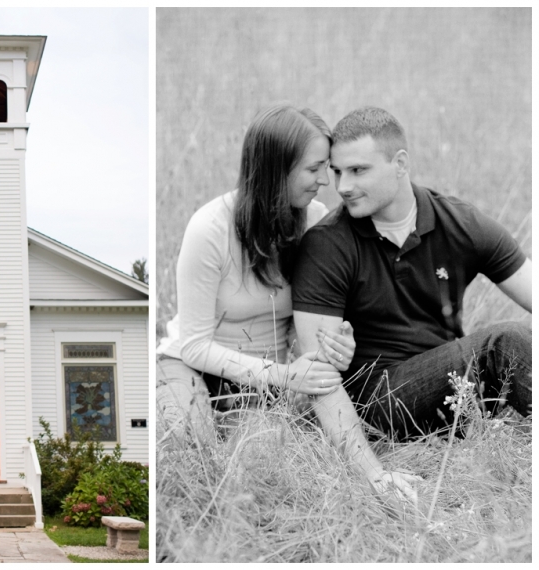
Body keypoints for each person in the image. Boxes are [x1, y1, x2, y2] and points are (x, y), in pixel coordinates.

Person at [156, 103, 416, 498]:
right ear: (276, 170)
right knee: (188, 451)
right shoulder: (209, 228)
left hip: (260, 386)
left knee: (261, 465)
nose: (325, 182)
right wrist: (283, 375)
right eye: (314, 170)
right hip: (190, 365)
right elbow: (193, 344)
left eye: (325, 168)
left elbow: (319, 322)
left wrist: (342, 343)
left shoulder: (316, 220)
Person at [292, 106, 532, 442]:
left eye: (359, 170)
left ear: (400, 164)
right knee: (504, 343)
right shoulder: (326, 244)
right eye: (337, 172)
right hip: (378, 402)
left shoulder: (459, 223)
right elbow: (319, 375)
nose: (344, 187)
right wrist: (370, 472)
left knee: (513, 345)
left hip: (454, 393)